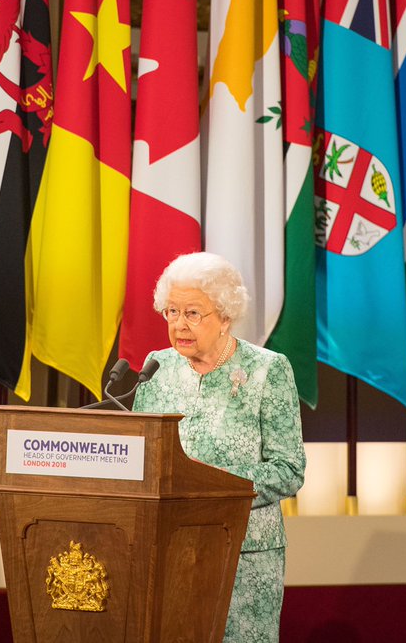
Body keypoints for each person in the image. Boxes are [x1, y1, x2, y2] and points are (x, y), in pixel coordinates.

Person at [132, 251, 306, 643]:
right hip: (169, 550)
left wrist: (212, 488)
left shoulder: (267, 370)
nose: (179, 325)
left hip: (243, 556)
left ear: (225, 316)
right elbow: (143, 459)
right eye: (171, 312)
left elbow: (289, 469)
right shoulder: (157, 368)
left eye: (193, 313)